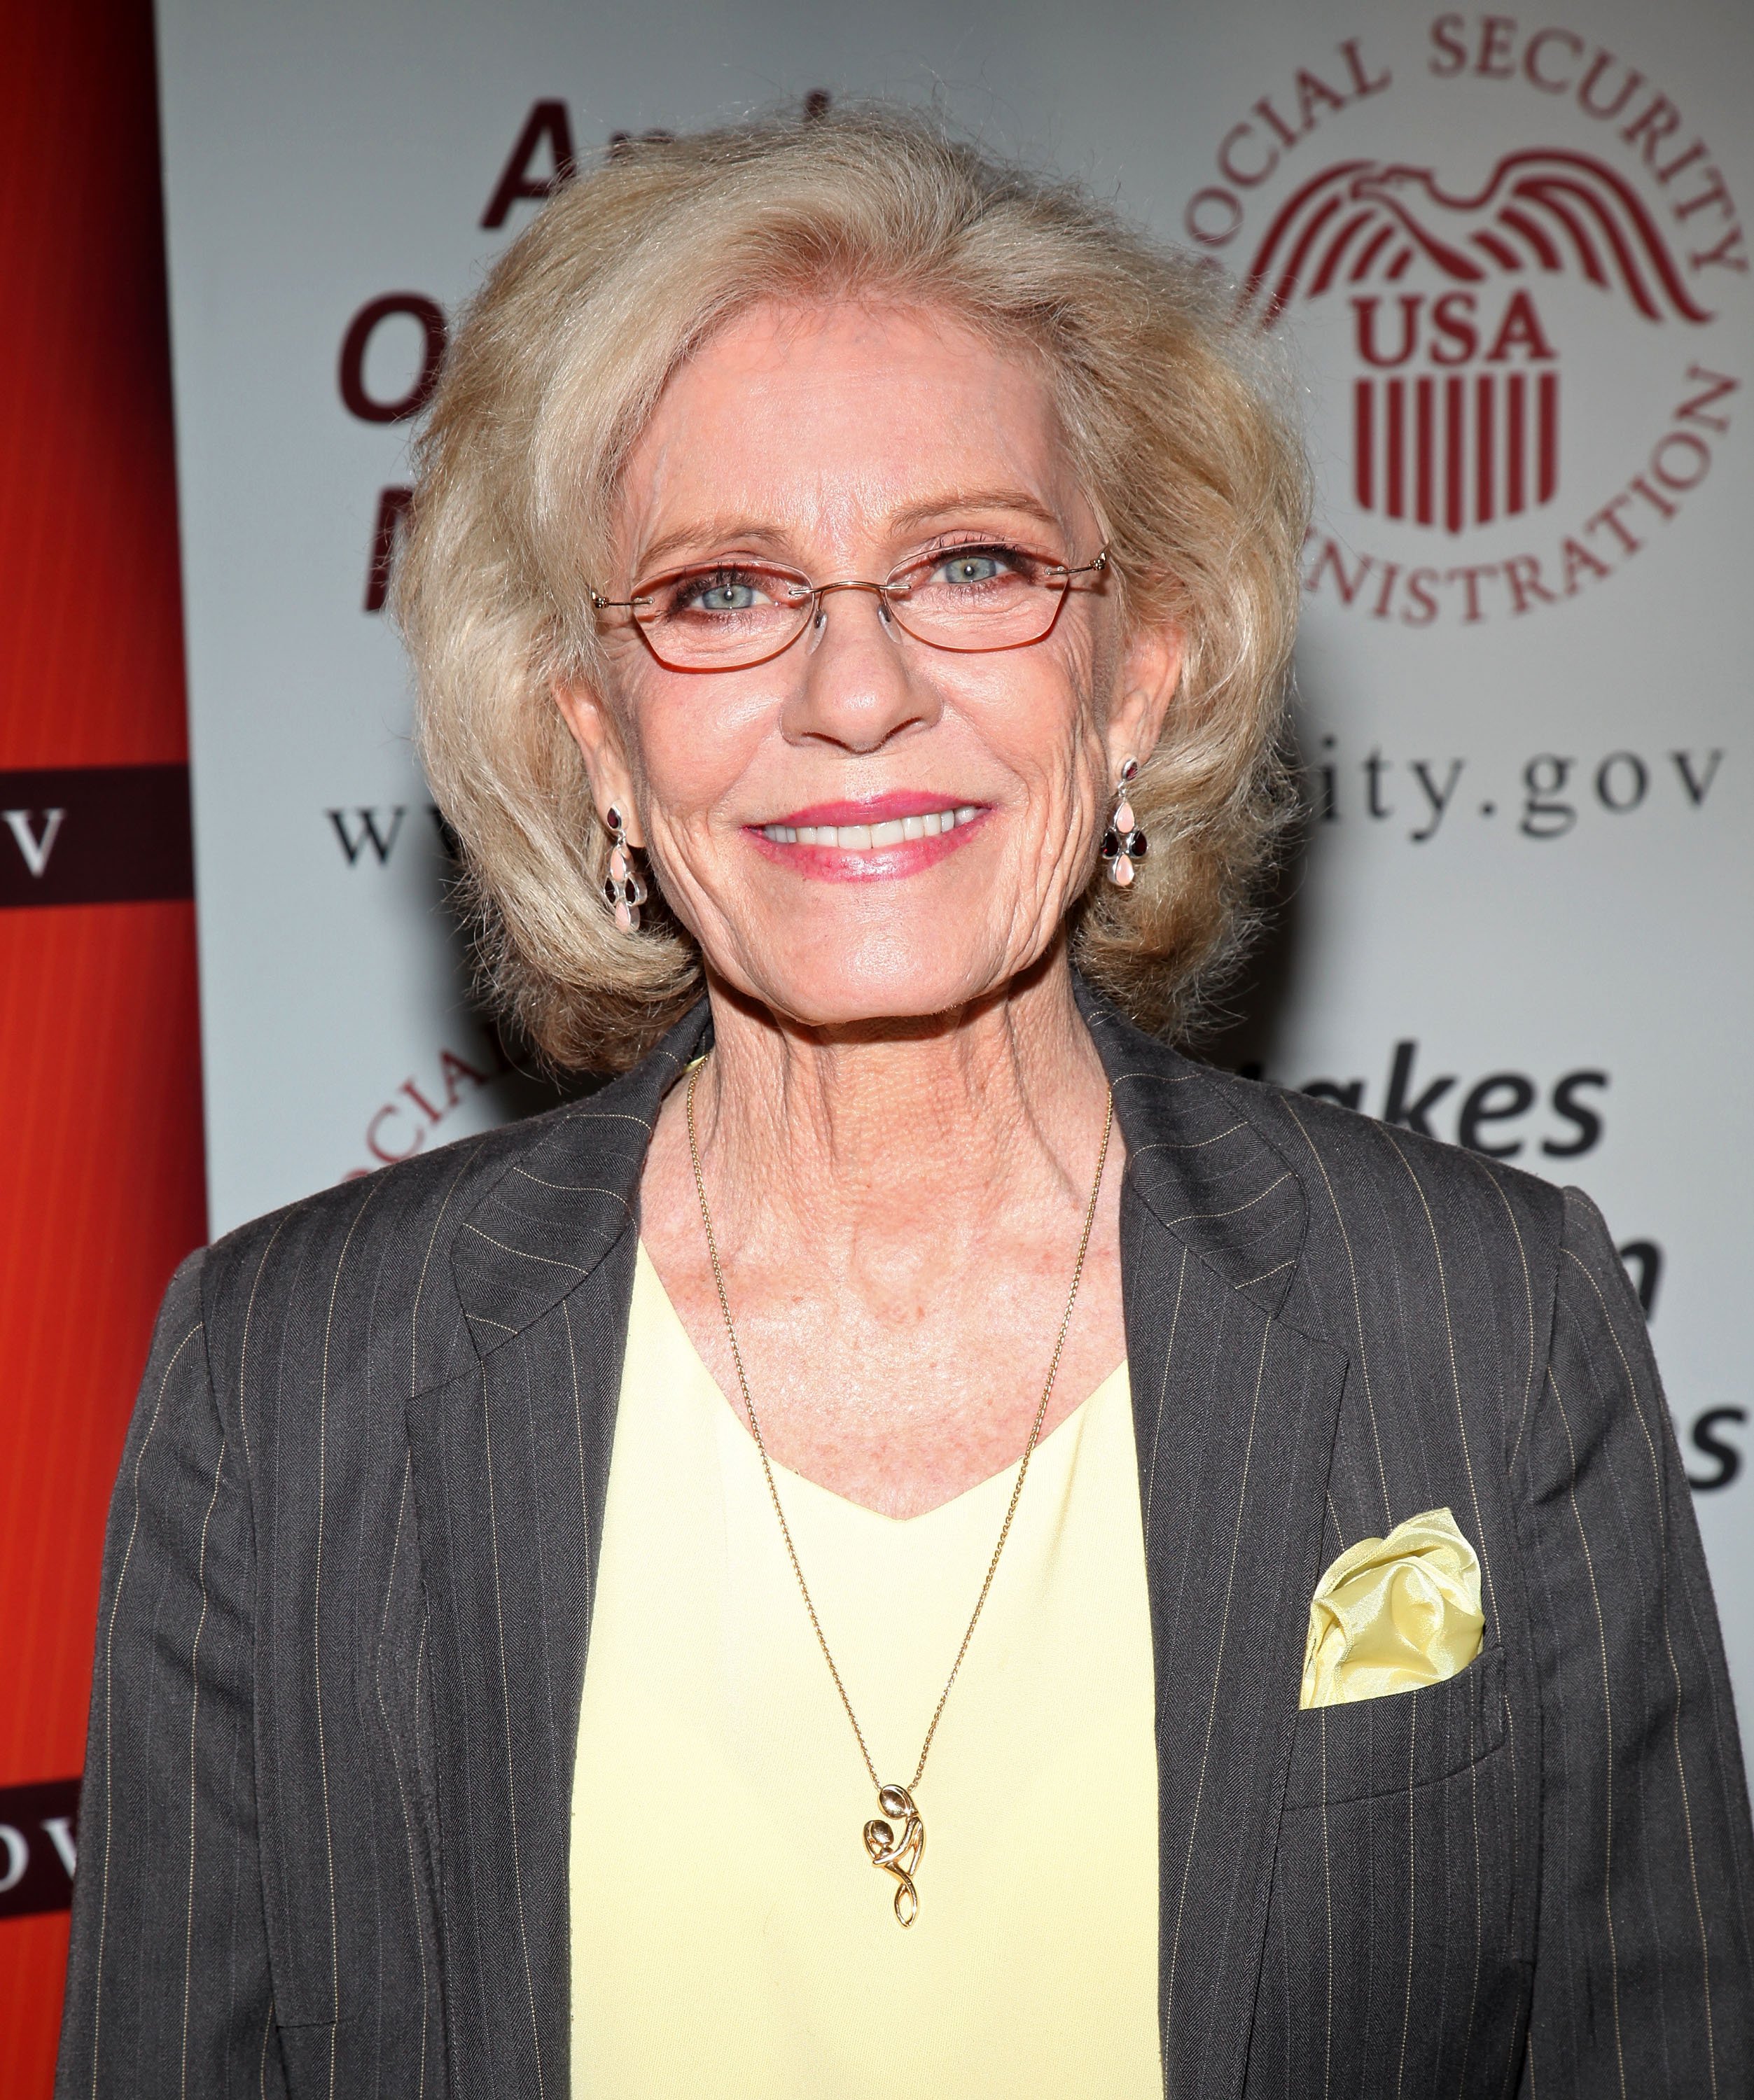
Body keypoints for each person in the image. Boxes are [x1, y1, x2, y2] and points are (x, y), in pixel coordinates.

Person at [58, 106, 1751, 2100]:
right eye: (718, 592)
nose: (852, 690)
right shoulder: (292, 1380)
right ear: (595, 740)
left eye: (969, 564)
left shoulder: (1478, 1314)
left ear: (1137, 680)